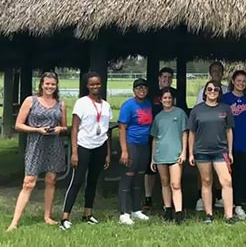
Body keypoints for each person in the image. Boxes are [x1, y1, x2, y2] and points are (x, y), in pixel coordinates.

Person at [7, 72, 67, 232]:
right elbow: (18, 125)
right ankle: (14, 222)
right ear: (41, 84)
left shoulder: (61, 103)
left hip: (54, 144)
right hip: (35, 143)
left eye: (53, 84)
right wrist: (37, 130)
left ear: (56, 85)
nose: (50, 87)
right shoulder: (30, 100)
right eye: (47, 84)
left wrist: (59, 129)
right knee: (29, 181)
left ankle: (47, 216)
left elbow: (65, 127)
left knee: (51, 180)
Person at [60, 72, 112, 230]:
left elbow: (107, 131)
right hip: (83, 146)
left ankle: (87, 213)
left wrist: (108, 153)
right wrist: (74, 152)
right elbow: (75, 128)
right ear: (87, 86)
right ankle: (65, 217)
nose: (95, 87)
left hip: (100, 145)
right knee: (77, 181)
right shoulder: (81, 103)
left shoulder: (106, 105)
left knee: (93, 181)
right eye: (92, 84)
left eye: (98, 84)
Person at [188, 80, 235, 224]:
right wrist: (191, 153)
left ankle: (229, 215)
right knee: (206, 181)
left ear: (220, 92)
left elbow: (229, 131)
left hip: (221, 151)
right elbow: (191, 133)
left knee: (226, 181)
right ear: (205, 92)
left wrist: (230, 151)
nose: (212, 91)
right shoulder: (197, 110)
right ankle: (209, 214)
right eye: (209, 89)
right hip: (202, 151)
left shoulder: (225, 108)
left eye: (216, 89)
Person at [117, 78, 153, 225]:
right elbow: (122, 128)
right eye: (138, 88)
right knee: (128, 175)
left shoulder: (148, 104)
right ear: (134, 90)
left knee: (139, 176)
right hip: (131, 144)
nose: (141, 90)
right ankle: (123, 212)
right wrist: (124, 150)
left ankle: (136, 209)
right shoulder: (128, 105)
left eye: (144, 88)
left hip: (144, 144)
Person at [149, 88, 187, 224]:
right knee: (164, 182)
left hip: (176, 153)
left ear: (173, 99)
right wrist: (153, 158)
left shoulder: (180, 113)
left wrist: (184, 152)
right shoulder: (158, 117)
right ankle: (168, 209)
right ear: (161, 100)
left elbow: (184, 134)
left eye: (169, 98)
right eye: (165, 98)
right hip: (161, 154)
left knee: (175, 184)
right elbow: (154, 138)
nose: (167, 100)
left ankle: (178, 212)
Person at [195, 61, 229, 211]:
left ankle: (221, 197)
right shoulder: (202, 90)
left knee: (223, 174)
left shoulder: (227, 90)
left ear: (222, 73)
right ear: (210, 72)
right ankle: (202, 199)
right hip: (204, 137)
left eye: (219, 71)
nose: (216, 73)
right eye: (213, 71)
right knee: (204, 174)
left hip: (221, 137)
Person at [222, 70, 246, 220]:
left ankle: (239, 205)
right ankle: (229, 204)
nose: (241, 83)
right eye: (238, 81)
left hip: (245, 141)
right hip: (229, 142)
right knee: (230, 175)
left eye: (244, 81)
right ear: (233, 81)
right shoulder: (225, 99)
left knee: (243, 174)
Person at [146, 67, 178, 209]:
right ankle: (148, 197)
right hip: (154, 132)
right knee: (150, 167)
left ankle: (173, 201)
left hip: (171, 134)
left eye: (169, 78)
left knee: (173, 167)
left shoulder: (176, 93)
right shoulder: (152, 94)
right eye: (164, 77)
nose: (166, 80)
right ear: (159, 78)